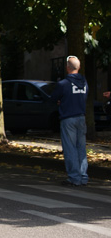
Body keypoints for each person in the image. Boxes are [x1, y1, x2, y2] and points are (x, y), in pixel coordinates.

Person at [50, 55, 89, 187]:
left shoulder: (63, 84)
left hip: (68, 118)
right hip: (81, 118)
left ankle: (74, 178)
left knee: (70, 148)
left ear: (67, 68)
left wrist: (61, 101)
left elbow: (53, 98)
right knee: (81, 148)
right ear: (79, 67)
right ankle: (83, 176)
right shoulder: (84, 82)